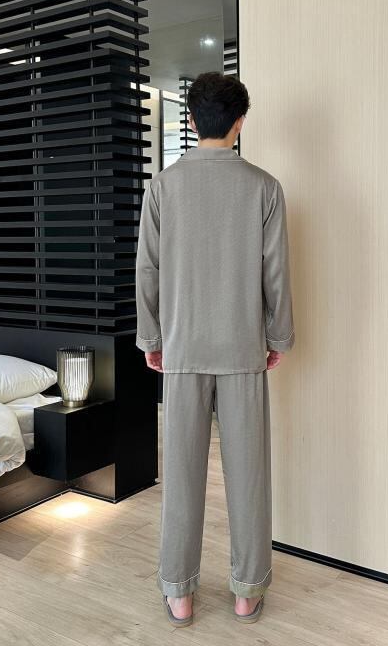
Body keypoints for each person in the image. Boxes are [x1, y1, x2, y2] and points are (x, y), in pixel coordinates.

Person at [135, 71, 295, 626]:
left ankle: (179, 593)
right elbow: (276, 274)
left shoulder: (162, 188)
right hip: (242, 349)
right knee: (249, 475)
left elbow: (148, 271)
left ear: (191, 120)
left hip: (182, 350)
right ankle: (247, 591)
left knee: (181, 475)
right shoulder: (264, 188)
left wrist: (152, 339)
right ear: (239, 123)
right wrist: (277, 337)